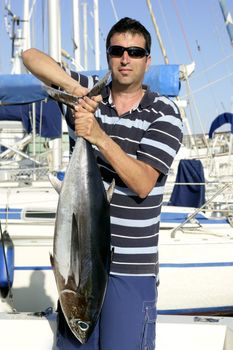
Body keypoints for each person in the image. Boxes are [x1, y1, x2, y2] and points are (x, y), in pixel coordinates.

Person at [22, 17, 183, 350]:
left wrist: (96, 135)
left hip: (130, 271)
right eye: (118, 50)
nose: (126, 58)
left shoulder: (164, 113)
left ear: (147, 60)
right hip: (77, 266)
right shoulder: (93, 95)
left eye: (135, 52)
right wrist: (80, 92)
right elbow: (30, 57)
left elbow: (142, 183)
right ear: (109, 55)